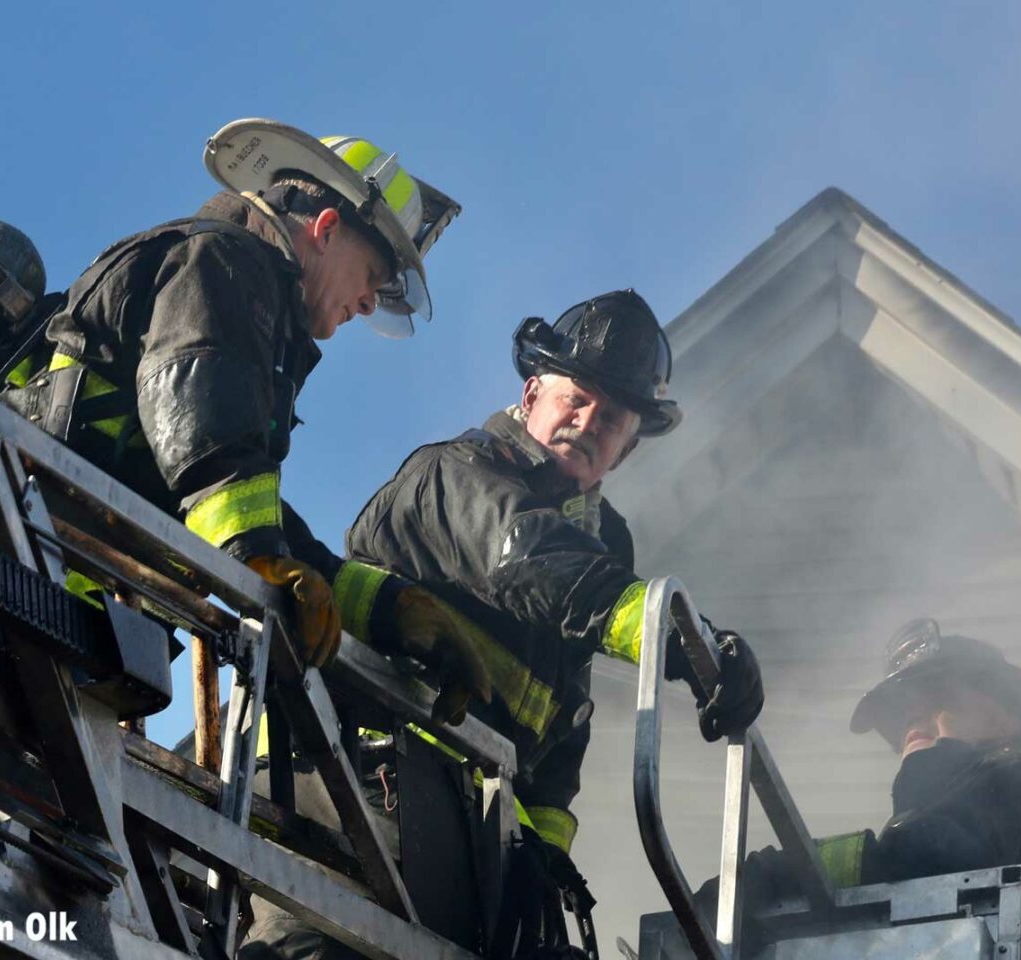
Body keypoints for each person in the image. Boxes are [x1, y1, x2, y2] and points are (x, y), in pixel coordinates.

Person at [268, 290, 762, 956]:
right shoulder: (454, 475)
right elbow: (523, 558)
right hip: (357, 789)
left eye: (611, 416)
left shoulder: (600, 543)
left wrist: (543, 858)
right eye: (576, 398)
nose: (588, 422)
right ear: (531, 396)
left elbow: (559, 732)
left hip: (458, 824)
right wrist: (678, 634)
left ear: (625, 452)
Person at [0, 119, 490, 719]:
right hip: (34, 575)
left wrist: (392, 611)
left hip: (67, 593)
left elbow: (246, 502)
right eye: (371, 278)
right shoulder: (222, 262)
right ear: (326, 229)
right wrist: (256, 557)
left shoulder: (246, 302)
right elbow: (202, 419)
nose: (367, 303)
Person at [697, 618, 1021, 930]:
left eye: (936, 695)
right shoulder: (1013, 801)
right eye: (901, 712)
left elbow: (907, 858)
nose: (911, 716)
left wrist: (768, 872)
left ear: (1003, 718)